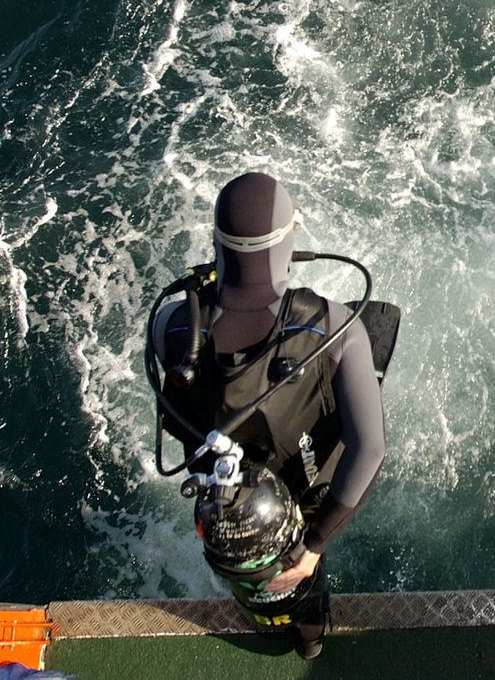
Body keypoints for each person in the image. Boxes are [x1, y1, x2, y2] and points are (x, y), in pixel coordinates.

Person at [152, 172, 390, 659]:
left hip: (227, 504)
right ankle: (309, 642)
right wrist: (314, 544)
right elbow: (371, 449)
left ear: (219, 243)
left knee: (254, 571)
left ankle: (271, 613)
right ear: (287, 238)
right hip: (302, 498)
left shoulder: (167, 326)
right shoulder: (337, 327)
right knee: (296, 577)